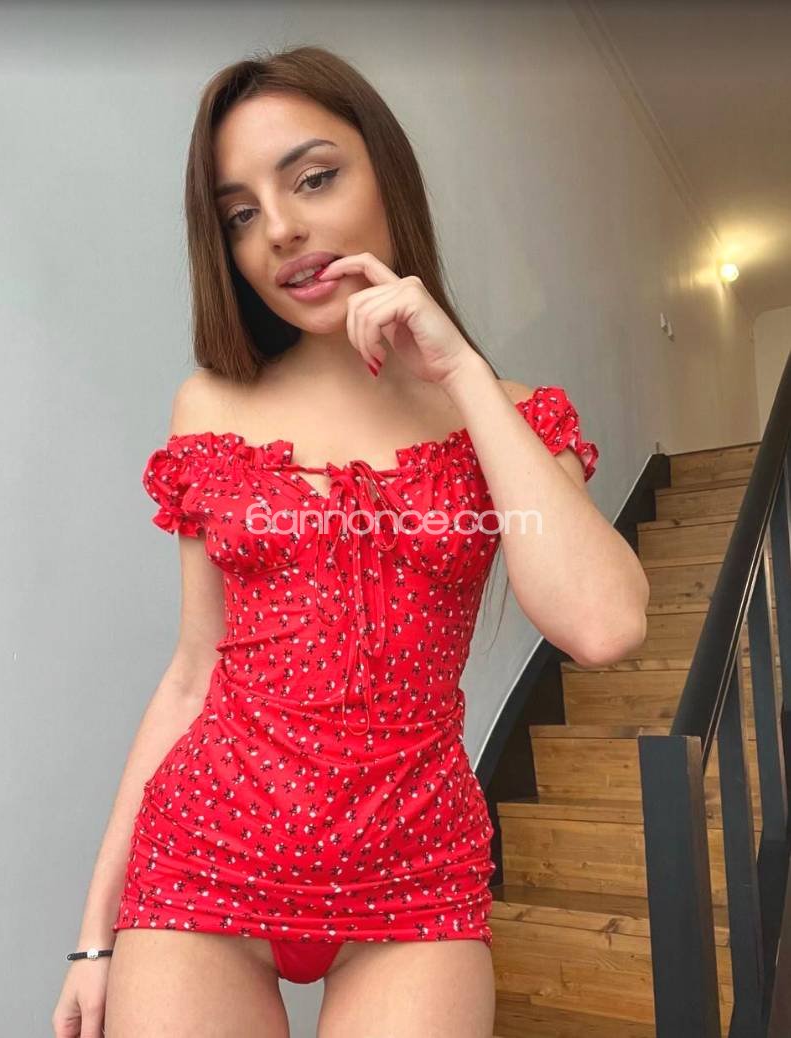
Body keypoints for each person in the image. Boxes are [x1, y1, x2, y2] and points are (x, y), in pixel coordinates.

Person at [53, 44, 644, 1038]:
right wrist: (91, 936)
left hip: (415, 877)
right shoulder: (210, 407)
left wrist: (461, 374)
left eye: (314, 178)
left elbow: (604, 626)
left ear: (386, 174)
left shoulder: (511, 416)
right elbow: (193, 675)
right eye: (239, 214)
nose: (279, 229)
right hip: (204, 858)